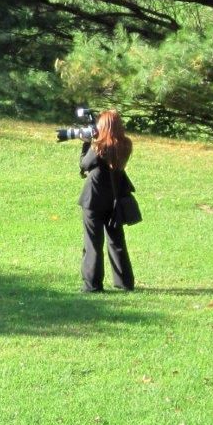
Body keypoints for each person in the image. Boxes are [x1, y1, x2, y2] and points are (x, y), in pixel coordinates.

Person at [77, 109, 136, 292]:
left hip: (94, 199)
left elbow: (84, 165)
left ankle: (92, 285)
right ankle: (124, 282)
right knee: (116, 241)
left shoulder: (98, 147)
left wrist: (86, 144)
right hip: (115, 197)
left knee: (93, 243)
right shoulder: (125, 144)